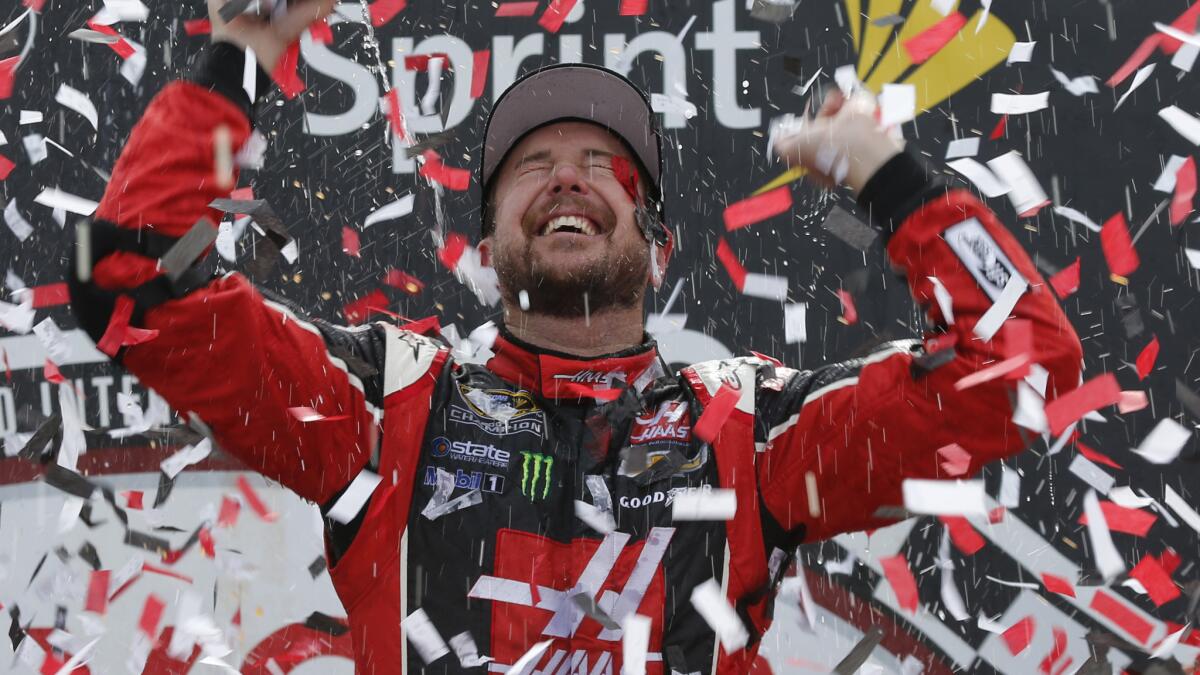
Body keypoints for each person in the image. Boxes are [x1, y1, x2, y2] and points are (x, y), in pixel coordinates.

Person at [67, 0, 1083, 672]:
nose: (565, 175)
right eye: (531, 164)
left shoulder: (754, 431)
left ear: (660, 246)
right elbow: (129, 281)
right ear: (490, 242)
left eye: (606, 166)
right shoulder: (383, 412)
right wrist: (240, 59)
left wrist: (894, 181)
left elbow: (1022, 369)